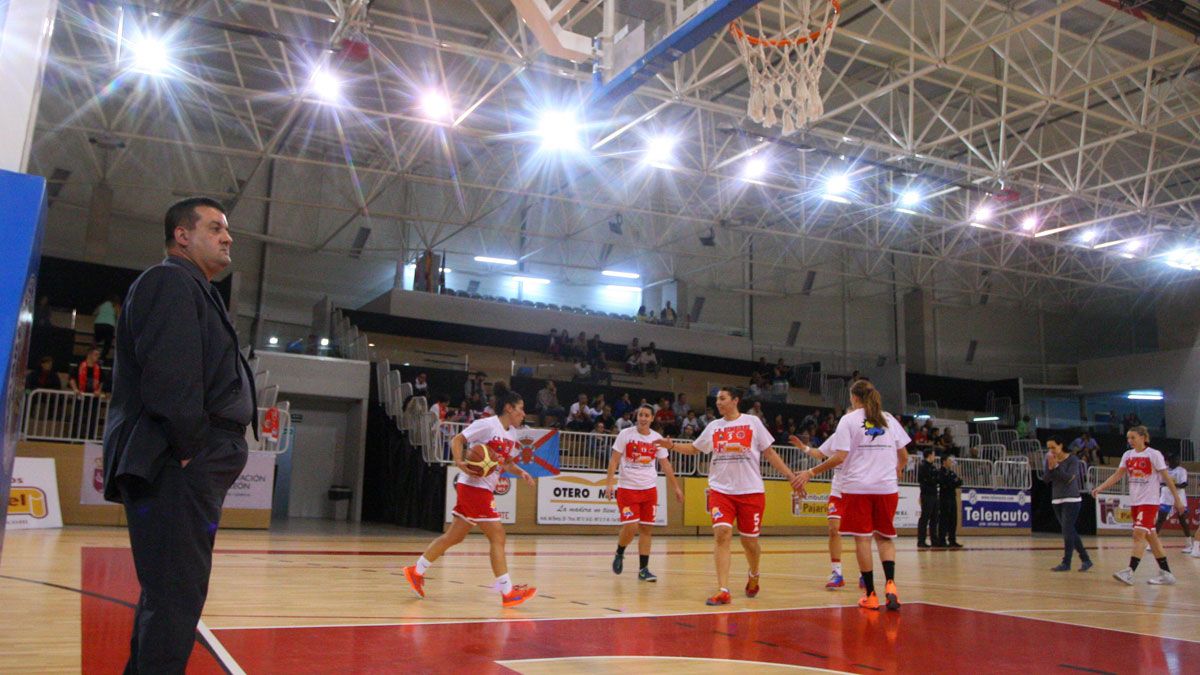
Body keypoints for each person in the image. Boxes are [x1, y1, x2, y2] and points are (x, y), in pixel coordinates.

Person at [102, 197, 257, 673]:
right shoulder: (169, 281)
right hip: (175, 461)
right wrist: (191, 449)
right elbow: (170, 377)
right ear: (182, 236)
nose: (228, 237)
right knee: (175, 597)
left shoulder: (195, 288)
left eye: (226, 229)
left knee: (171, 595)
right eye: (215, 228)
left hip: (185, 462)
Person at [656, 386, 800, 606]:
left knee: (749, 542)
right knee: (722, 534)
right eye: (717, 399)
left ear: (735, 400)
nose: (718, 402)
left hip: (751, 492)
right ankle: (723, 589)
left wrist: (790, 476)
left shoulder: (752, 422)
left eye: (722, 398)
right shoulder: (714, 426)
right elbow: (695, 449)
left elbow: (770, 453)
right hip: (721, 491)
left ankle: (754, 572)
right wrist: (673, 445)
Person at [403, 383, 537, 607]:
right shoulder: (487, 425)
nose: (524, 414)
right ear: (508, 408)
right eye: (521, 408)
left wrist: (521, 472)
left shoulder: (513, 435)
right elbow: (458, 439)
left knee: (454, 537)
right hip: (475, 487)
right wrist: (459, 460)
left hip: (480, 488)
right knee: (497, 536)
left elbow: (507, 463)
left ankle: (416, 571)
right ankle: (507, 592)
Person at [794, 379, 911, 611]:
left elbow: (840, 457)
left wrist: (811, 472)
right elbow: (904, 456)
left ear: (854, 398)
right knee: (885, 538)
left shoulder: (848, 420)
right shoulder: (888, 419)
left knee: (863, 539)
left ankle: (871, 595)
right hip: (886, 488)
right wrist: (897, 469)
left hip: (858, 487)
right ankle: (891, 584)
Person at [1091, 426, 1185, 585]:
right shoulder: (1127, 455)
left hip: (1149, 502)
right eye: (1128, 438)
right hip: (1136, 502)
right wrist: (1101, 487)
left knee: (1138, 534)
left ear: (1143, 437)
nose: (1130, 441)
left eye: (1133, 437)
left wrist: (1177, 499)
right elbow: (1118, 475)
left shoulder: (1153, 454)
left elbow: (1167, 478)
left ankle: (1130, 571)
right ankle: (1167, 573)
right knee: (1152, 537)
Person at [606, 405, 685, 582]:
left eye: (646, 415)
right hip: (627, 488)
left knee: (646, 529)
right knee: (631, 526)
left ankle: (643, 570)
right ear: (637, 416)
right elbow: (614, 460)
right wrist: (609, 483)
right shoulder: (625, 434)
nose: (643, 418)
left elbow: (666, 465)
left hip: (649, 490)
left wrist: (676, 488)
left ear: (652, 418)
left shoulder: (657, 438)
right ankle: (620, 552)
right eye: (640, 415)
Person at [791, 433, 850, 590]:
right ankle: (836, 573)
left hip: (858, 489)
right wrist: (804, 448)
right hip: (838, 490)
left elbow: (839, 458)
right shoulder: (839, 434)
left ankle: (864, 573)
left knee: (862, 534)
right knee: (833, 529)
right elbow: (820, 453)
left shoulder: (863, 435)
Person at [1044, 436, 1093, 571]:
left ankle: (1066, 562)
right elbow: (1046, 479)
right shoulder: (1049, 458)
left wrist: (1056, 467)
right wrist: (1051, 468)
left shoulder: (1073, 459)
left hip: (1071, 499)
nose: (1051, 450)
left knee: (1067, 529)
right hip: (1057, 499)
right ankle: (1086, 559)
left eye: (1053, 447)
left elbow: (1068, 478)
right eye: (1048, 448)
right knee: (1069, 530)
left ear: (1061, 445)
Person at [1155, 455, 1194, 555]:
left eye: (1178, 460)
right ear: (1168, 461)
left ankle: (1189, 544)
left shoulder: (1181, 470)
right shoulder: (1164, 470)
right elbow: (1160, 482)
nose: (1177, 461)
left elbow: (1184, 484)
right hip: (1166, 496)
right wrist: (1168, 484)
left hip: (1179, 496)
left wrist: (1170, 484)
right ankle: (1152, 543)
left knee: (1182, 520)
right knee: (1160, 519)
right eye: (1175, 460)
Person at [935, 455, 963, 549]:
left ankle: (952, 540)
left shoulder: (951, 472)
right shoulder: (940, 472)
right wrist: (952, 482)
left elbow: (959, 482)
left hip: (952, 498)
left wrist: (952, 482)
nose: (951, 462)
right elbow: (944, 483)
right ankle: (942, 540)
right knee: (943, 520)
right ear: (944, 461)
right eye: (949, 460)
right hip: (944, 498)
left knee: (953, 520)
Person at [916, 448, 940, 549]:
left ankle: (934, 540)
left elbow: (937, 478)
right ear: (929, 455)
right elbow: (926, 480)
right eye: (933, 455)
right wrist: (933, 479)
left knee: (934, 518)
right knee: (925, 518)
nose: (934, 457)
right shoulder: (923, 466)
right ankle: (921, 541)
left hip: (934, 494)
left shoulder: (933, 467)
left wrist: (934, 479)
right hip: (926, 495)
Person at [93, 294, 120, 361]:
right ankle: (102, 358)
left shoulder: (102, 304)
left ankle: (92, 355)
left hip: (98, 324)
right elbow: (118, 316)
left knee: (96, 340)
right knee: (107, 343)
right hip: (109, 325)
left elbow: (95, 313)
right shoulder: (115, 305)